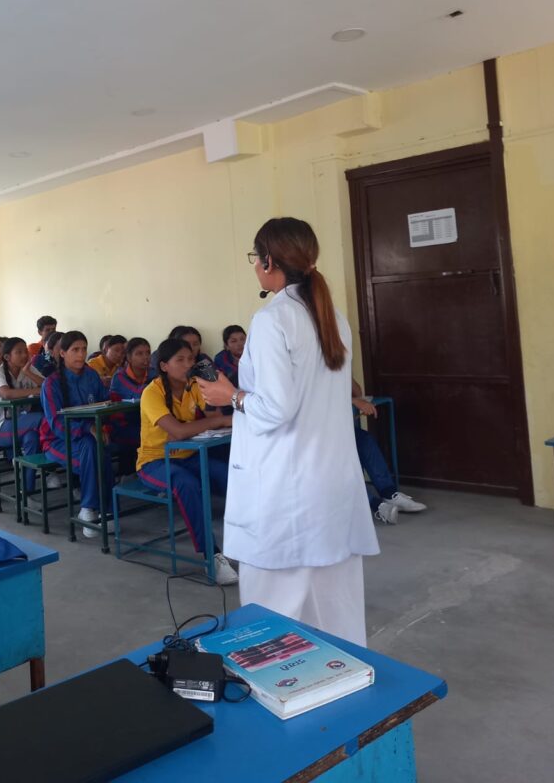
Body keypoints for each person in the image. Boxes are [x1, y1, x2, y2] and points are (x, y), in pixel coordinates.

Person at [198, 217, 379, 645]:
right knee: (335, 610)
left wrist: (231, 396)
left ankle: (283, 693)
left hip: (286, 491)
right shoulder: (330, 315)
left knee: (273, 620)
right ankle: (346, 684)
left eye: (254, 257)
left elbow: (276, 407)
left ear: (268, 261)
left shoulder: (273, 319)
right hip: (329, 484)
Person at [138, 338, 236, 584]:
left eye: (190, 359)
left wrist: (215, 417)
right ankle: (211, 556)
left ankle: (251, 537)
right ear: (164, 366)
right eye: (179, 360)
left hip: (187, 455)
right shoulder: (152, 392)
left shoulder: (193, 385)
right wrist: (215, 422)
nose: (187, 364)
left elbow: (214, 413)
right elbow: (179, 432)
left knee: (227, 474)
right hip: (155, 461)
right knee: (187, 484)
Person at [40, 332, 113, 538]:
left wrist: (102, 427)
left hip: (91, 436)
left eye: (84, 349)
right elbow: (55, 424)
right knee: (93, 449)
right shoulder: (51, 383)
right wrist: (87, 429)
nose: (81, 354)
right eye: (75, 350)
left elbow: (105, 403)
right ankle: (91, 508)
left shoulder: (91, 376)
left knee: (99, 449)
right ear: (62, 353)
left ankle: (103, 509)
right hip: (57, 441)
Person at [351, 381, 426, 523]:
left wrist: (346, 372)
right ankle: (377, 505)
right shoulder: (310, 366)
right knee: (342, 461)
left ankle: (389, 494)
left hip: (340, 429)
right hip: (315, 436)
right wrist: (354, 401)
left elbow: (358, 393)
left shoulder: (335, 364)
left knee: (365, 441)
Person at [0, 337, 52, 493]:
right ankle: (55, 458)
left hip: (22, 425)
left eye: (25, 351)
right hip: (1, 428)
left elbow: (49, 385)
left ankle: (26, 492)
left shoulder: (27, 369)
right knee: (44, 419)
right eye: (19, 352)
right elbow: (6, 394)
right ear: (7, 357)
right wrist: (35, 391)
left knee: (32, 439)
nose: (24, 355)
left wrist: (28, 372)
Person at [108, 337, 152, 476]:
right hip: (121, 426)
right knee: (152, 436)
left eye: (148, 352)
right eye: (139, 353)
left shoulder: (153, 373)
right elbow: (142, 393)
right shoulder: (120, 377)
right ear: (129, 357)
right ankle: (134, 475)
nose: (145, 357)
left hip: (143, 423)